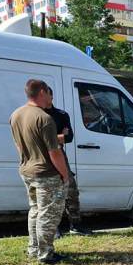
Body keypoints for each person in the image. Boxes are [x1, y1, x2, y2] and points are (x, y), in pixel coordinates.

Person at [9, 79, 69, 264]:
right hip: (46, 174)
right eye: (48, 93)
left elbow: (18, 145)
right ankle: (45, 254)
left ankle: (33, 248)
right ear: (42, 92)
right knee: (49, 213)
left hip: (27, 171)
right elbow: (54, 152)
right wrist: (65, 175)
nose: (50, 97)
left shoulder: (16, 114)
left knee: (35, 210)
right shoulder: (44, 118)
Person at [43, 86, 92, 236]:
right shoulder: (38, 115)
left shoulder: (61, 115)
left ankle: (75, 225)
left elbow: (69, 137)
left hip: (59, 153)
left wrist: (53, 137)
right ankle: (54, 229)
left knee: (71, 190)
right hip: (43, 156)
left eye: (47, 96)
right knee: (49, 193)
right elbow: (40, 139)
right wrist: (59, 136)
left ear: (51, 96)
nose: (44, 99)